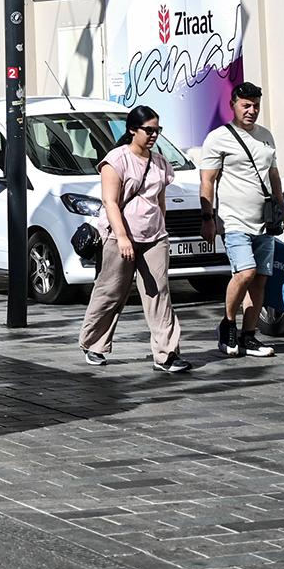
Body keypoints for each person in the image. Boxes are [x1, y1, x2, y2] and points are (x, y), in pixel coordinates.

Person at [78, 106, 191, 374]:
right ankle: (93, 343)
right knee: (111, 291)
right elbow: (110, 202)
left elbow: (159, 201)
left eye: (157, 130)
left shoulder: (161, 162)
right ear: (132, 130)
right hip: (119, 237)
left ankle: (167, 354)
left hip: (154, 237)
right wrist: (122, 238)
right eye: (148, 130)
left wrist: (161, 229)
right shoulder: (116, 161)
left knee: (159, 293)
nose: (153, 135)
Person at [200, 82, 284, 358]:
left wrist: (283, 211)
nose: (251, 111)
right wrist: (207, 218)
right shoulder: (218, 138)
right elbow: (207, 180)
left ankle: (249, 337)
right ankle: (228, 326)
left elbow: (274, 176)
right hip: (234, 221)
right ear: (233, 105)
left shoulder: (266, 136)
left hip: (264, 222)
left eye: (255, 105)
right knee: (245, 272)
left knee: (260, 280)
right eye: (246, 105)